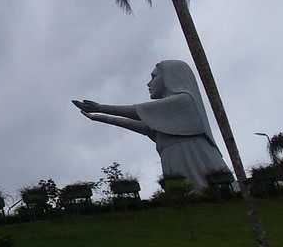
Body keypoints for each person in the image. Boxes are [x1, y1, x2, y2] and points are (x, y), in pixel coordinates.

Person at [72, 59, 229, 190]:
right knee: (182, 192)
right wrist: (99, 117)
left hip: (190, 151)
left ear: (170, 77)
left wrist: (101, 108)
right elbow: (144, 127)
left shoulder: (184, 100)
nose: (149, 83)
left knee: (204, 187)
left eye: (154, 77)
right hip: (172, 153)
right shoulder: (167, 112)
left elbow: (138, 111)